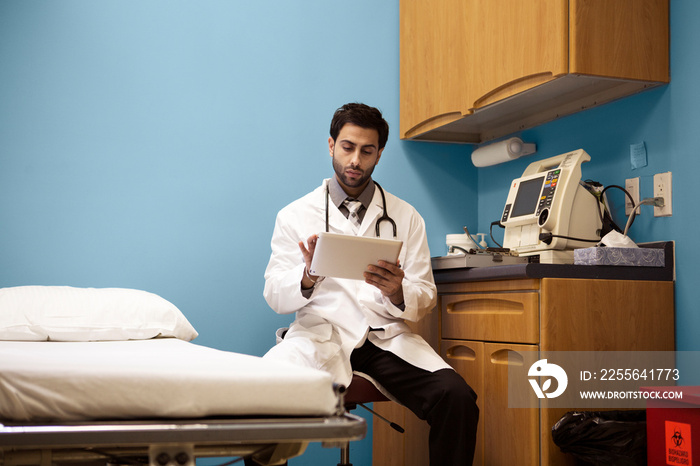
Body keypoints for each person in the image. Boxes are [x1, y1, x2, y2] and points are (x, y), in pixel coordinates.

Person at [262, 103, 478, 465]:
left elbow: (425, 295)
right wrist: (307, 276)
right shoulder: (295, 215)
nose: (355, 161)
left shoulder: (405, 217)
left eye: (367, 150)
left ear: (379, 153)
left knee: (456, 397)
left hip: (383, 338)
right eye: (347, 147)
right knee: (260, 400)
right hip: (320, 334)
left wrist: (398, 291)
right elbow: (274, 294)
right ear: (331, 145)